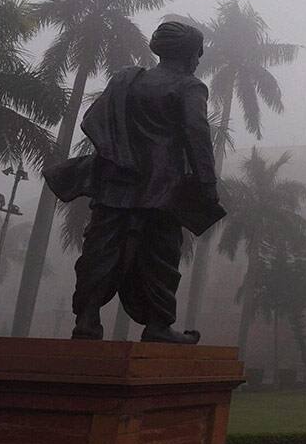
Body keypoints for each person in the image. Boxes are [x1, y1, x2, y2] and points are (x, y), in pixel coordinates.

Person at [45, 21, 225, 344]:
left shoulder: (127, 79)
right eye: (197, 53)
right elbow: (198, 137)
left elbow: (95, 121)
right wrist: (207, 185)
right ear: (187, 54)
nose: (198, 60)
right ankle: (157, 325)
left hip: (117, 182)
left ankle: (86, 320)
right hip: (161, 189)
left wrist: (120, 155)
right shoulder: (189, 87)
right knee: (160, 256)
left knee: (100, 250)